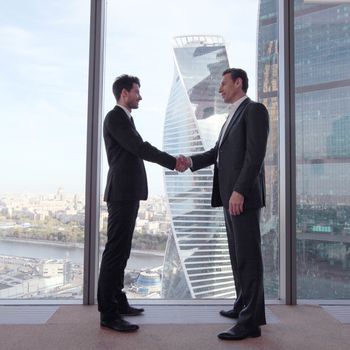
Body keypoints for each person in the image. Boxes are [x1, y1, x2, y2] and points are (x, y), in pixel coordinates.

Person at [178, 68, 269, 340]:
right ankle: (243, 305)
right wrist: (189, 161)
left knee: (248, 258)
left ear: (238, 83)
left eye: (224, 84)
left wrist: (240, 190)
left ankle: (250, 322)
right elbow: (216, 154)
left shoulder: (254, 110)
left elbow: (255, 155)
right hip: (230, 198)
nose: (220, 89)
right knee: (236, 255)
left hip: (242, 198)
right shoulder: (232, 115)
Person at [98, 74, 183, 332]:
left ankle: (119, 301)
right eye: (137, 91)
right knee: (115, 251)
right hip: (121, 192)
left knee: (122, 250)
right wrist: (172, 161)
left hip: (127, 192)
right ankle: (108, 313)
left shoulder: (125, 119)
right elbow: (140, 147)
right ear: (124, 93)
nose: (140, 96)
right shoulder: (115, 118)